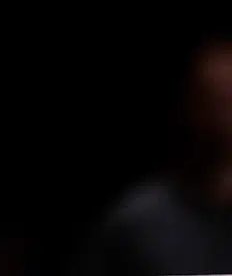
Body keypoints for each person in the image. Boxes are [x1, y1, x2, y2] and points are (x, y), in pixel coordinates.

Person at [72, 27, 232, 276]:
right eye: (209, 98)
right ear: (187, 104)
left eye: (228, 99)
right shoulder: (138, 224)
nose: (220, 115)